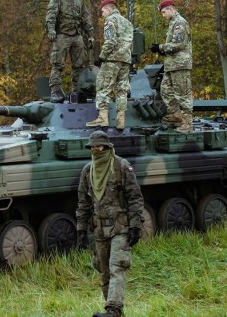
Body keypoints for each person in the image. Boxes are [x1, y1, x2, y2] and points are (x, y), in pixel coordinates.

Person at [76, 131, 145, 317]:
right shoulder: (87, 171)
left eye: (99, 146)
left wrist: (135, 226)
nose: (95, 150)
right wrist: (81, 229)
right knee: (104, 271)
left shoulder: (121, 166)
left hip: (120, 227)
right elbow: (83, 203)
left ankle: (113, 310)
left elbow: (135, 198)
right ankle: (113, 310)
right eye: (92, 147)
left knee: (117, 266)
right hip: (98, 230)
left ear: (107, 147)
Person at [45, 0, 95, 103]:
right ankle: (55, 90)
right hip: (62, 34)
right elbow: (51, 16)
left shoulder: (79, 1)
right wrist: (50, 30)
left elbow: (85, 18)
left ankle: (77, 90)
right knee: (57, 64)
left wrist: (90, 35)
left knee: (79, 65)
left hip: (77, 35)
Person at [86, 0, 133, 129]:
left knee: (102, 87)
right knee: (122, 90)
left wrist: (101, 57)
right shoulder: (127, 22)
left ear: (108, 9)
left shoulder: (110, 21)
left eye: (103, 11)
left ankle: (103, 118)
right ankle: (120, 121)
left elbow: (110, 42)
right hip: (125, 60)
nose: (102, 14)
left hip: (112, 60)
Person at [150, 0, 193, 132]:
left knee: (182, 94)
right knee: (165, 90)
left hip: (180, 65)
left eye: (163, 12)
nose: (163, 15)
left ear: (170, 9)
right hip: (172, 65)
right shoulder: (173, 23)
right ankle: (175, 115)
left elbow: (178, 44)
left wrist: (161, 47)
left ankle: (187, 123)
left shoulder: (180, 23)